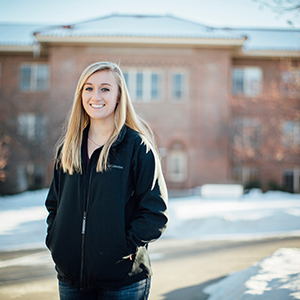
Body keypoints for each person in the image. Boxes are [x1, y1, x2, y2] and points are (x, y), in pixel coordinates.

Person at [45, 61, 168, 300]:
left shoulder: (136, 147)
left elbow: (155, 213)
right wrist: (57, 242)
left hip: (123, 280)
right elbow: (55, 206)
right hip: (71, 279)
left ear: (119, 96)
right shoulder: (68, 148)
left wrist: (122, 249)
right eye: (88, 88)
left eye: (105, 88)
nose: (96, 96)